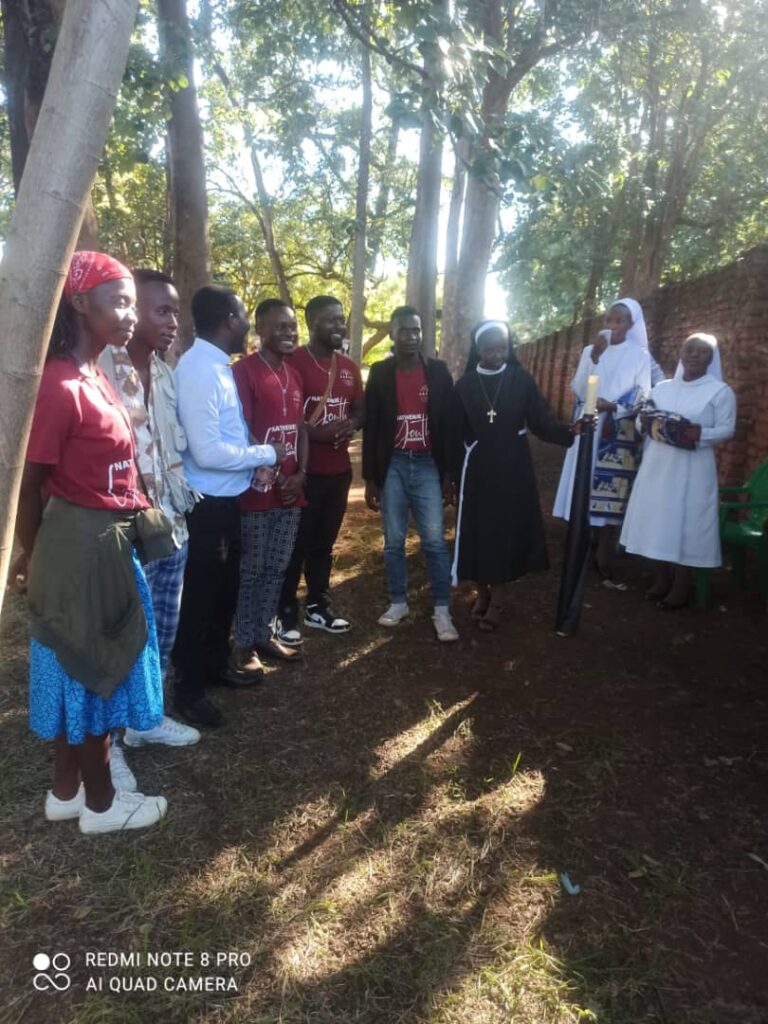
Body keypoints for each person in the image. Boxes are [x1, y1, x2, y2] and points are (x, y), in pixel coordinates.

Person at [13, 251, 168, 833]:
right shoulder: (60, 384)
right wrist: (40, 555)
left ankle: (67, 791)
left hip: (103, 541)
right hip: (78, 546)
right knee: (93, 665)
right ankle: (103, 805)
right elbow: (27, 487)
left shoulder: (95, 374)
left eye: (132, 302)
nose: (130, 314)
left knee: (81, 666)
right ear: (80, 303)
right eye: (120, 301)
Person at [98, 269, 200, 767]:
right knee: (120, 637)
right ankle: (110, 742)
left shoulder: (163, 371)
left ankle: (147, 720)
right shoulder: (96, 371)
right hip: (121, 535)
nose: (173, 322)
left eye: (176, 311)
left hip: (169, 525)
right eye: (163, 310)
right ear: (133, 312)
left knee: (162, 628)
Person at [173, 286, 285, 728]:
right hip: (206, 506)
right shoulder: (199, 369)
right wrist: (266, 455)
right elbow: (206, 452)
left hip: (228, 498)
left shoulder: (217, 366)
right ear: (228, 320)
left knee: (224, 593)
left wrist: (252, 462)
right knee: (201, 598)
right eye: (241, 314)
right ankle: (189, 688)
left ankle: (216, 666)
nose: (245, 324)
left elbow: (229, 437)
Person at [449, 320, 576, 631]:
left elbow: (541, 420)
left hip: (512, 467)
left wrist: (570, 432)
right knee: (479, 532)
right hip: (477, 468)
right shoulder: (464, 386)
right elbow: (453, 433)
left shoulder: (520, 379)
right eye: (490, 349)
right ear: (478, 349)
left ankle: (499, 599)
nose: (497, 354)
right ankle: (482, 592)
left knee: (502, 534)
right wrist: (451, 475)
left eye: (503, 348)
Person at [362, 305, 458, 641]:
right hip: (394, 465)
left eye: (417, 330)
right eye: (404, 330)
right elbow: (372, 427)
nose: (412, 336)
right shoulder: (380, 372)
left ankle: (442, 610)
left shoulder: (438, 372)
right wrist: (371, 479)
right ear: (392, 334)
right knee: (394, 542)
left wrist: (449, 474)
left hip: (429, 463)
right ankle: (398, 602)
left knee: (434, 541)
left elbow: (448, 426)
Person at [620, 333, 736, 608]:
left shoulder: (720, 392)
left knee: (686, 523)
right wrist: (643, 422)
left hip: (693, 469)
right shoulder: (661, 388)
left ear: (712, 358)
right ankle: (661, 579)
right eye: (690, 349)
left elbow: (727, 430)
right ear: (681, 353)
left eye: (703, 351)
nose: (695, 355)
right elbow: (640, 424)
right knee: (658, 521)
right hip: (657, 465)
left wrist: (701, 433)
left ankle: (682, 586)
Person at [276, 295, 364, 645]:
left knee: (324, 545)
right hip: (305, 470)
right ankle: (284, 611)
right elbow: (284, 417)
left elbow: (360, 408)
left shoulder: (348, 367)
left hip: (339, 471)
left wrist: (351, 425)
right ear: (312, 323)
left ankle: (317, 605)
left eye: (341, 319)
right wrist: (317, 432)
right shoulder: (294, 362)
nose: (339, 326)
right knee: (295, 543)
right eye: (331, 320)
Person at [553, 297, 652, 584]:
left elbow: (643, 393)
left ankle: (604, 552)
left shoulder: (640, 355)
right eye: (609, 319)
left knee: (611, 493)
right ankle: (580, 546)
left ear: (631, 324)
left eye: (619, 320)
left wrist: (616, 407)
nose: (613, 325)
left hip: (617, 430)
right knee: (583, 483)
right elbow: (578, 387)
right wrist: (594, 359)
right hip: (589, 424)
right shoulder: (591, 350)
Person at [232, 299, 308, 668]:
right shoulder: (243, 372)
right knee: (253, 568)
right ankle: (243, 642)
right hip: (255, 493)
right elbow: (240, 433)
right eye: (280, 327)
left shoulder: (294, 375)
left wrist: (300, 475)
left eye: (292, 326)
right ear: (260, 330)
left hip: (291, 493)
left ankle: (265, 634)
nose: (289, 333)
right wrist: (274, 474)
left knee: (278, 566)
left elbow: (300, 429)